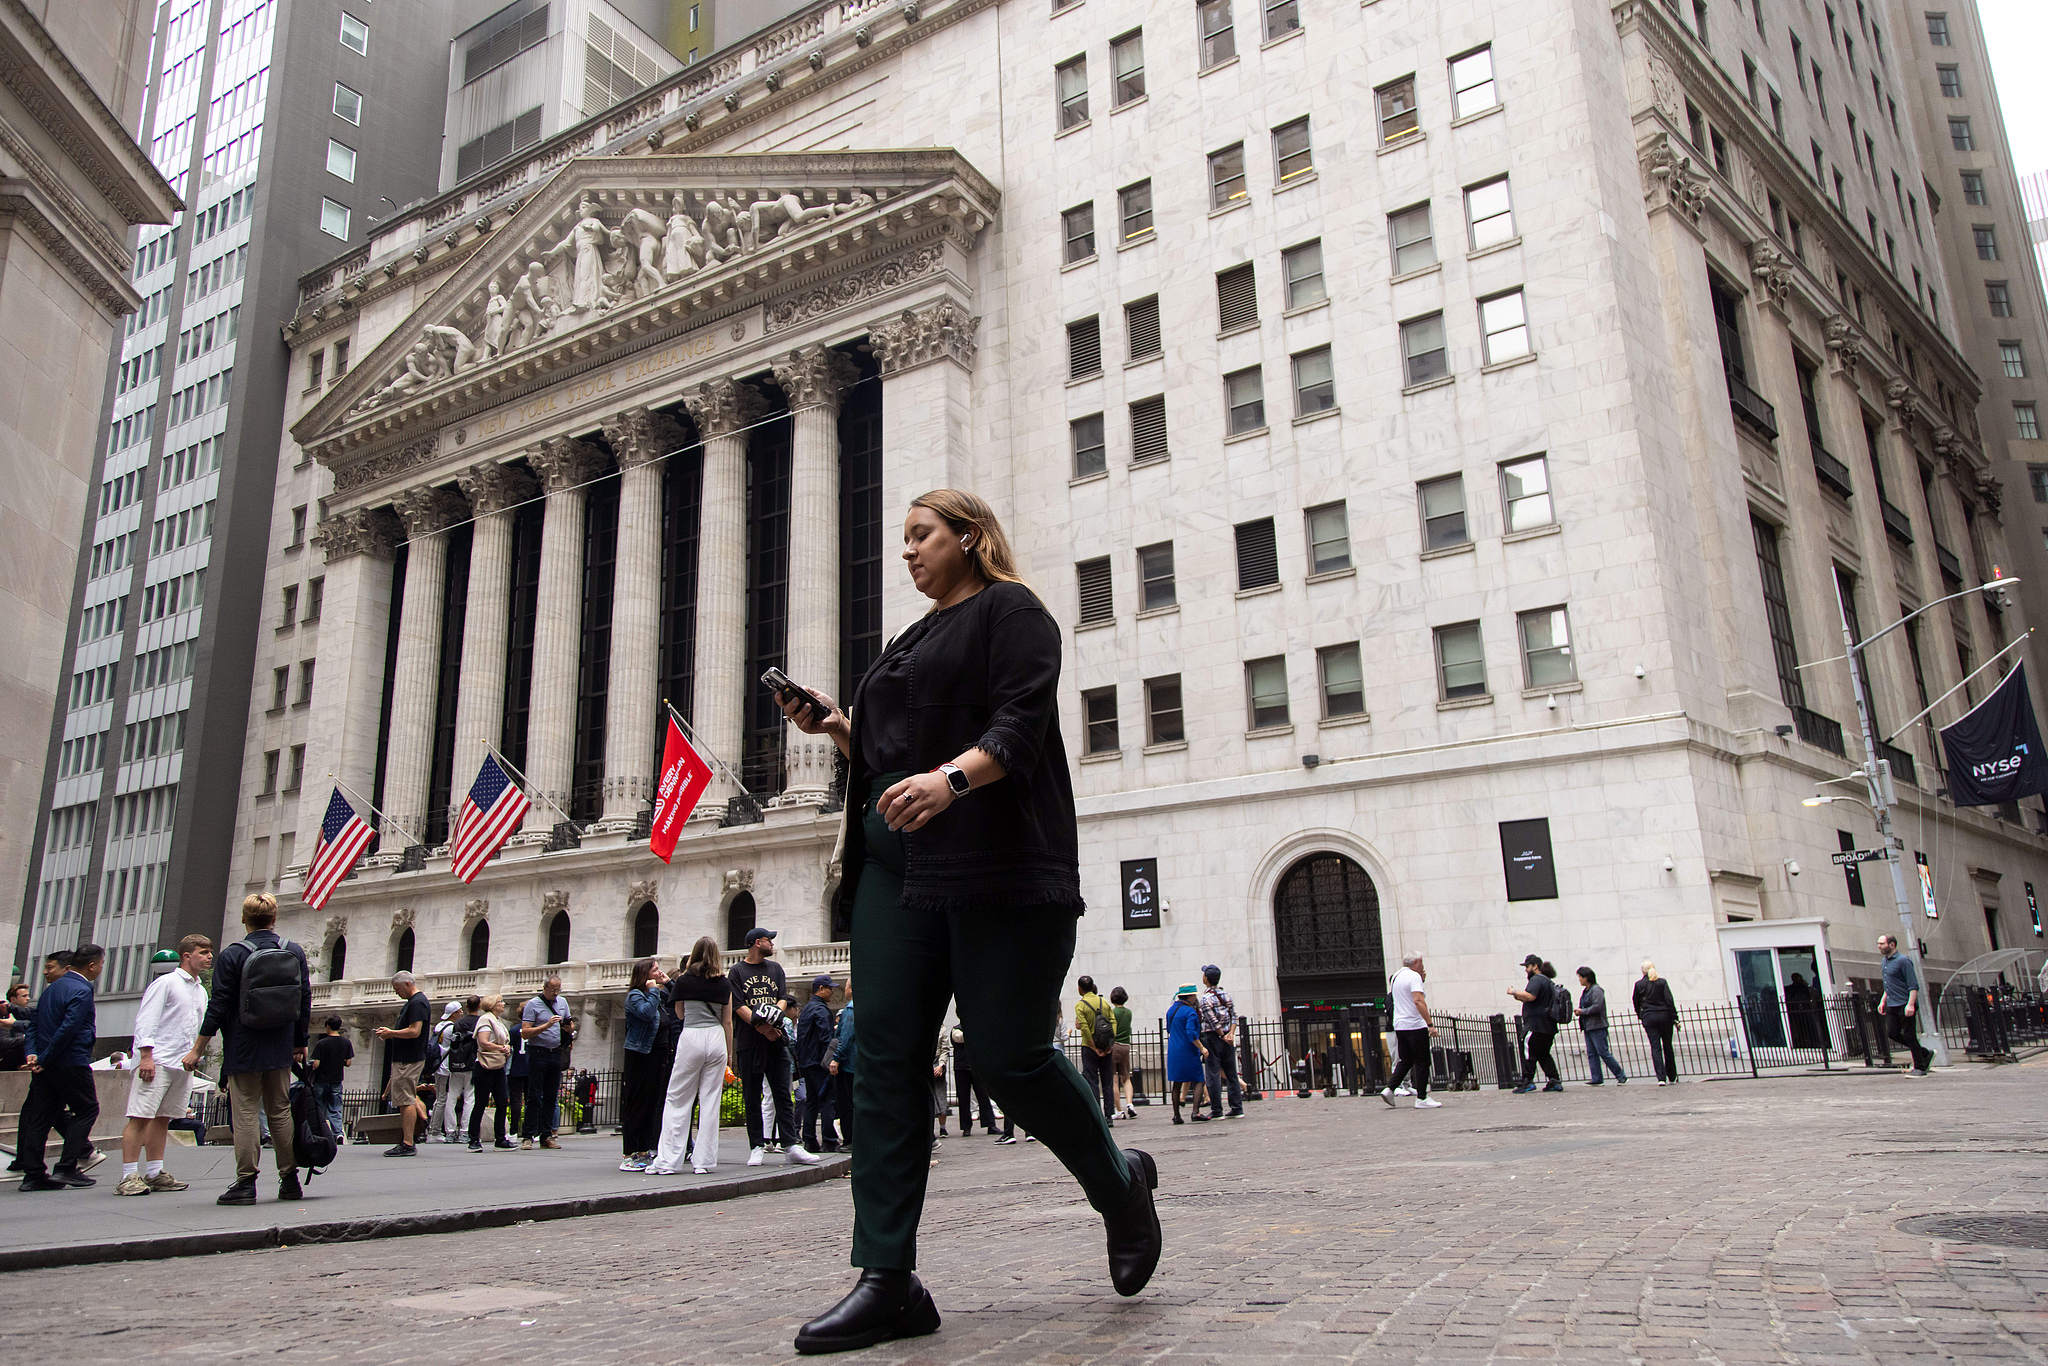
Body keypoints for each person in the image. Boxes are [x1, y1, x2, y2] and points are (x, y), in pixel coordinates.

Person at [775, 489, 1160, 1355]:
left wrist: (949, 781)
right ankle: (887, 1278)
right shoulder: (904, 642)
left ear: (970, 538)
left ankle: (1120, 1185)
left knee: (1007, 1057)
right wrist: (837, 725)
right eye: (904, 539)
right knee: (883, 1062)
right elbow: (885, 762)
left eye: (922, 535)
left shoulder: (1011, 612)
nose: (906, 552)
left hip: (994, 869)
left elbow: (1020, 727)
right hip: (890, 873)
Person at [186, 895, 311, 1203]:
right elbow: (303, 999)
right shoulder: (292, 951)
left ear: (245, 919)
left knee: (245, 1113)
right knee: (280, 1110)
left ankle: (246, 1182)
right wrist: (300, 1042)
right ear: (274, 918)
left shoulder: (233, 955)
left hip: (244, 1044)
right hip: (280, 1044)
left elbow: (218, 1005)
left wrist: (198, 1047)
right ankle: (289, 1179)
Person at [116, 935, 215, 1196]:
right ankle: (128, 1175)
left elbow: (194, 1027)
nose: (209, 957)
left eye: (209, 952)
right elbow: (146, 1020)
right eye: (203, 952)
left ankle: (154, 1171)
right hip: (157, 1060)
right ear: (186, 955)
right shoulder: (166, 983)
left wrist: (195, 1055)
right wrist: (146, 1056)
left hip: (181, 1063)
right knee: (140, 1117)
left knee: (163, 1119)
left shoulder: (200, 990)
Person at [15, 943, 105, 1191]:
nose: (100, 969)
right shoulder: (82, 989)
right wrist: (45, 1057)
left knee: (40, 1116)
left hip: (47, 1064)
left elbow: (33, 1023)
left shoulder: (52, 989)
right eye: (100, 964)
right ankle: (66, 1167)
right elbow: (69, 1028)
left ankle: (33, 1174)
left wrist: (34, 1054)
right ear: (92, 965)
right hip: (70, 1061)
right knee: (87, 1109)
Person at [728, 928, 818, 1167]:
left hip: (777, 1042)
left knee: (783, 1094)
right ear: (758, 943)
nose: (772, 944)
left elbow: (782, 997)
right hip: (750, 1042)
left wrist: (774, 1018)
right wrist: (762, 1028)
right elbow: (738, 1005)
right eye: (769, 940)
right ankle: (756, 1145)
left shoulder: (775, 969)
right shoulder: (737, 971)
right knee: (751, 1095)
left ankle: (792, 1144)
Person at [648, 936, 734, 1176]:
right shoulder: (724, 983)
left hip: (693, 1035)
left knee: (678, 1098)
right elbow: (727, 1022)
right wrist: (729, 1054)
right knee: (710, 1101)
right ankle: (703, 1162)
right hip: (716, 1038)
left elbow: (680, 1013)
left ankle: (668, 1160)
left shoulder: (685, 980)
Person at [373, 970, 432, 1154]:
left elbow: (415, 1031)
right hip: (405, 1058)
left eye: (397, 988)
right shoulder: (414, 1003)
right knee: (404, 1099)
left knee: (406, 1100)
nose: (396, 992)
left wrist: (391, 1033)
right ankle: (407, 1140)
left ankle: (408, 1142)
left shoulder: (417, 1003)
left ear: (407, 984)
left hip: (409, 1058)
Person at [620, 959, 670, 1170]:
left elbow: (678, 999)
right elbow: (647, 1014)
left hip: (657, 1054)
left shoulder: (657, 994)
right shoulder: (636, 996)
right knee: (637, 1103)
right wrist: (653, 991)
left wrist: (667, 983)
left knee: (651, 1102)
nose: (659, 972)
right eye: (655, 969)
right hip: (640, 1054)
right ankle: (630, 1153)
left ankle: (645, 1149)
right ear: (645, 974)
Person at [1381, 953, 1442, 1109]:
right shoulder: (1413, 976)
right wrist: (1430, 1024)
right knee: (1423, 1061)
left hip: (1400, 1025)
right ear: (1415, 963)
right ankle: (1422, 1097)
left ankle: (1390, 1088)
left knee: (1406, 1060)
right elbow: (1418, 1000)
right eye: (1421, 963)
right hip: (1415, 1024)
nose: (1422, 967)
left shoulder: (1396, 976)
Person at [518, 975, 572, 1149]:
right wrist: (547, 1025)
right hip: (538, 1052)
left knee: (551, 1095)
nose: (555, 993)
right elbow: (525, 1032)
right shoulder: (533, 1004)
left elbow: (570, 1026)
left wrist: (567, 1027)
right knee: (534, 1095)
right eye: (552, 990)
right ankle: (527, 1135)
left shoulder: (563, 1003)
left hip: (556, 1052)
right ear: (545, 988)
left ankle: (547, 1135)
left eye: (558, 989)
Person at [797, 974, 841, 1154]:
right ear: (821, 989)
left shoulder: (807, 1009)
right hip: (819, 1062)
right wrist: (831, 1060)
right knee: (827, 1100)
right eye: (830, 988)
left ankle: (809, 1140)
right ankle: (829, 1140)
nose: (832, 991)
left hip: (807, 1062)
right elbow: (825, 1038)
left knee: (812, 1101)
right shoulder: (821, 1010)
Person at [1878, 934, 1935, 1074]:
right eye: (1878, 944)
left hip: (1904, 1003)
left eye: (1882, 944)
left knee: (1909, 1035)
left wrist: (1910, 1004)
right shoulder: (1884, 962)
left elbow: (1913, 985)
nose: (1879, 946)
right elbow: (1888, 984)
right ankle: (1924, 1053)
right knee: (1892, 1033)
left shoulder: (1903, 961)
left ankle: (1920, 1066)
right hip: (1892, 1003)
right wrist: (1883, 1000)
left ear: (1891, 945)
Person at [1195, 965, 1245, 1119]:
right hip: (1228, 1038)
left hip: (1213, 1037)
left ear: (1206, 979)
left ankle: (1217, 1110)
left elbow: (1212, 1021)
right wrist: (1230, 1034)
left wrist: (1222, 1035)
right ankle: (1237, 1107)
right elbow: (1234, 1016)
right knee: (1231, 1073)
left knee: (1213, 1074)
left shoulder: (1205, 999)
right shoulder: (1227, 995)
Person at [1508, 954, 1563, 1093]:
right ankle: (1554, 1080)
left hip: (1535, 1024)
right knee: (1543, 1053)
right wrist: (1518, 996)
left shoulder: (1536, 979)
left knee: (1528, 1050)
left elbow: (1530, 996)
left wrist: (1514, 991)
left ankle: (1527, 1081)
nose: (1526, 969)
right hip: (1548, 1026)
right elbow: (1533, 999)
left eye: (1527, 966)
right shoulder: (1548, 981)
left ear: (1535, 966)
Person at [467, 996, 515, 1151]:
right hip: (485, 1065)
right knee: (480, 1102)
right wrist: (501, 1048)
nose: (503, 1004)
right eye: (501, 1002)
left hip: (498, 1064)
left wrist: (506, 1048)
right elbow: (483, 1041)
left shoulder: (497, 1020)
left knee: (502, 1102)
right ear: (494, 1005)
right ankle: (473, 1139)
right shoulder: (486, 1020)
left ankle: (500, 1138)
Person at [1071, 976, 1118, 1127]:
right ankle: (1109, 1115)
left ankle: (1097, 1113)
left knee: (1092, 1081)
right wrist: (1110, 1044)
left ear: (1080, 988)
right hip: (1106, 1047)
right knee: (1107, 1082)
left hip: (1089, 1047)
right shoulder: (1103, 1002)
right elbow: (1113, 1021)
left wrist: (1093, 1047)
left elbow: (1084, 1028)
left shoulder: (1080, 1005)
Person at [1575, 967, 1628, 1085]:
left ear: (1586, 977)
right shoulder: (1586, 991)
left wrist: (1582, 1011)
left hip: (1597, 1026)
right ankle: (1596, 1078)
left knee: (1603, 1052)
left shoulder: (1596, 990)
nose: (1579, 979)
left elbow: (1597, 1006)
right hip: (1588, 1026)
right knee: (1591, 1053)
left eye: (1580, 977)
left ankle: (1620, 1075)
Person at [1632, 960, 1680, 1085]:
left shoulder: (1639, 985)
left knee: (1655, 1046)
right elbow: (1669, 1000)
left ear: (1643, 971)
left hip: (1649, 1017)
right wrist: (1675, 1017)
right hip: (1665, 1016)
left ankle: (1661, 1077)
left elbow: (1636, 1002)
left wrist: (1641, 1015)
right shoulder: (1662, 982)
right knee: (1667, 1045)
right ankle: (1672, 1075)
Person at [307, 1016, 354, 1142]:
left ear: (328, 1026)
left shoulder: (321, 1043)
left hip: (321, 1080)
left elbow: (316, 1063)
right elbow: (348, 1063)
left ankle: (320, 1131)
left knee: (319, 1107)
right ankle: (338, 1132)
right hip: (337, 1079)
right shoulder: (346, 1042)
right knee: (335, 1107)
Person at [1164, 985, 1207, 1124]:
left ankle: (1176, 1115)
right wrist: (1202, 1048)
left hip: (1174, 1049)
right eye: (1194, 996)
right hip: (1188, 1050)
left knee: (1176, 1084)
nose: (1195, 998)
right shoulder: (1190, 1012)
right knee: (1199, 1080)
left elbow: (1169, 1028)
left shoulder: (1171, 1010)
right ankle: (1195, 1112)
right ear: (1190, 997)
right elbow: (1191, 1033)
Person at [950, 1025, 997, 1137]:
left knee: (983, 1096)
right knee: (963, 1098)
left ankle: (990, 1124)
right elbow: (959, 1038)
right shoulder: (956, 1029)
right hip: (961, 1067)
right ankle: (966, 1127)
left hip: (975, 1066)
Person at [832, 991, 856, 1152]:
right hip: (860, 1063)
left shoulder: (850, 1009)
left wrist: (836, 1058)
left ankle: (850, 1140)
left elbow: (845, 1037)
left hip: (849, 1064)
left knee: (846, 1104)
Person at [1108, 987, 1136, 1119]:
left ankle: (1119, 1110)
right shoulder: (1128, 1012)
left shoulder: (1113, 1012)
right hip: (1126, 1045)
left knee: (1114, 1079)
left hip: (1114, 1046)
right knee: (1126, 1077)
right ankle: (1130, 1103)